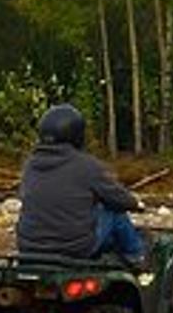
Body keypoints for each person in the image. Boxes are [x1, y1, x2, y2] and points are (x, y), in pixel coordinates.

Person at [15, 104, 146, 263]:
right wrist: (136, 204)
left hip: (28, 248)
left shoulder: (30, 165)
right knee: (114, 211)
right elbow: (117, 197)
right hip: (75, 249)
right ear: (76, 135)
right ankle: (137, 257)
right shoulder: (86, 165)